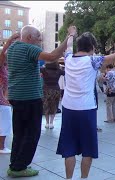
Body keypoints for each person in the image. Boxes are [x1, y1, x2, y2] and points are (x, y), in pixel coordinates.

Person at [56, 30, 115, 179]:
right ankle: (84, 178)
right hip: (86, 109)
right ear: (92, 47)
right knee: (88, 149)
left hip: (68, 108)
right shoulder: (93, 60)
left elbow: (68, 45)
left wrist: (71, 34)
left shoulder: (68, 58)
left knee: (69, 149)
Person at [6, 25, 75, 177]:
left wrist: (9, 40)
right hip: (30, 97)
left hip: (16, 97)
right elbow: (52, 57)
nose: (40, 40)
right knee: (32, 133)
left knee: (19, 133)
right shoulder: (30, 48)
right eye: (39, 38)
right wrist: (69, 37)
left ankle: (14, 165)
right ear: (29, 38)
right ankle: (20, 167)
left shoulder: (12, 48)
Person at [0, 33, 20, 154]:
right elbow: (3, 55)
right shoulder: (1, 66)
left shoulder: (5, 67)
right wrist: (10, 40)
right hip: (1, 101)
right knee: (5, 121)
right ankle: (1, 147)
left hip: (2, 99)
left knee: (5, 120)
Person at [41, 61, 65, 129]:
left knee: (46, 106)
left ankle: (47, 123)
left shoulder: (44, 70)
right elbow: (65, 73)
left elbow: (37, 69)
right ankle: (51, 123)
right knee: (54, 106)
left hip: (46, 90)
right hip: (56, 90)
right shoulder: (58, 71)